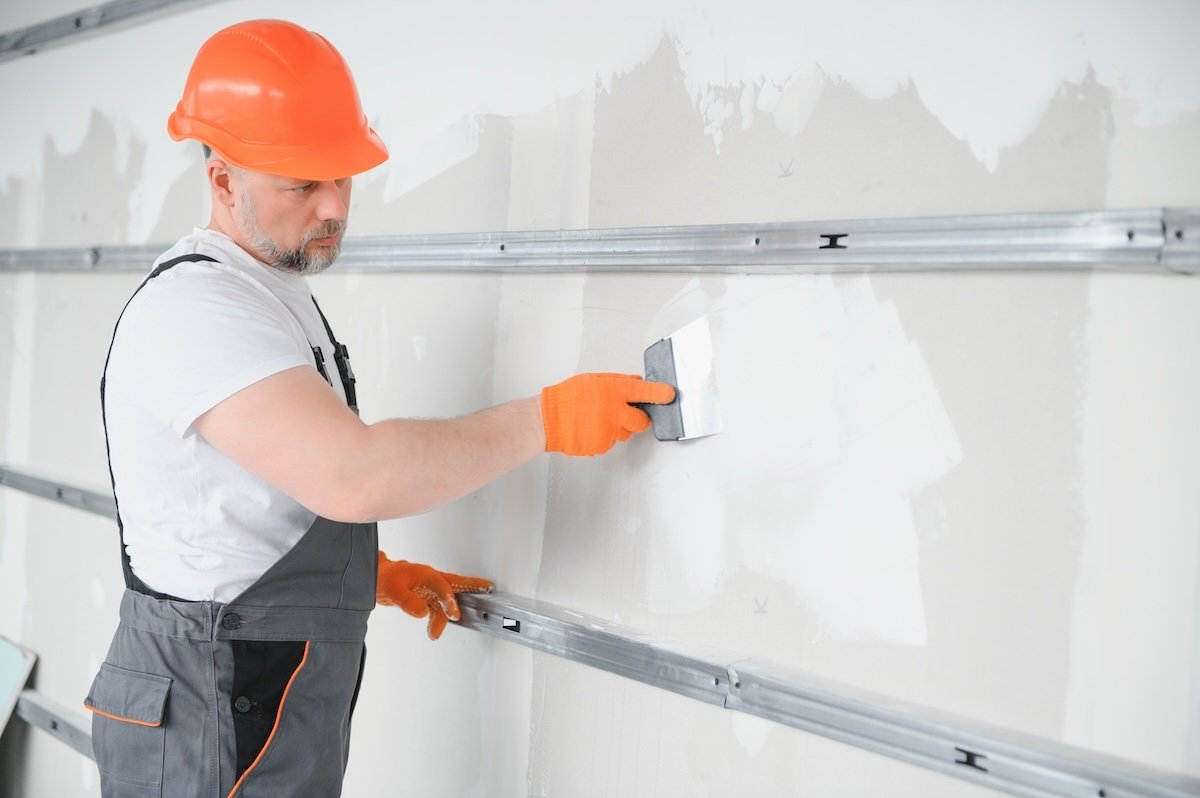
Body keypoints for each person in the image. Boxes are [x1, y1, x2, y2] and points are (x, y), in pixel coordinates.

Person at [83, 19, 673, 798]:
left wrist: (367, 574)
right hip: (213, 690)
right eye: (302, 183)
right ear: (223, 181)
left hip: (252, 674)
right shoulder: (200, 307)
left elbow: (243, 494)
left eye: (343, 178)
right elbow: (352, 475)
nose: (334, 206)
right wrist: (547, 421)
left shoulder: (267, 290)